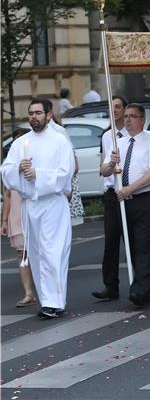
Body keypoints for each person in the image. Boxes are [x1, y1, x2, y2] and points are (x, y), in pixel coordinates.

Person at [1, 99, 74, 319]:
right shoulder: (20, 143)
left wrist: (39, 175)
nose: (34, 117)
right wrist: (19, 170)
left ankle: (54, 301)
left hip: (52, 202)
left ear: (49, 115)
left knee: (52, 251)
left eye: (38, 113)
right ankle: (48, 301)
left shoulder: (59, 141)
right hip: (30, 205)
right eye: (31, 113)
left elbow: (66, 172)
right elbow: (5, 171)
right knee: (36, 253)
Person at [100, 103, 150, 307]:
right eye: (126, 116)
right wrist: (111, 164)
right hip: (124, 202)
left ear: (142, 119)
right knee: (132, 245)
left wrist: (131, 188)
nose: (128, 120)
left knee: (145, 245)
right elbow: (103, 171)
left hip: (147, 199)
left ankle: (139, 290)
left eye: (132, 116)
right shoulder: (118, 144)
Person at [91, 95, 129, 302]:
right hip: (112, 193)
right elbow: (102, 167)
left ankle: (140, 282)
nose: (114, 110)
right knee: (111, 240)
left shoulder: (133, 134)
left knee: (133, 241)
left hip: (131, 192)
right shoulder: (107, 136)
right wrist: (108, 166)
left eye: (117, 106)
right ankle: (110, 285)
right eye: (111, 107)